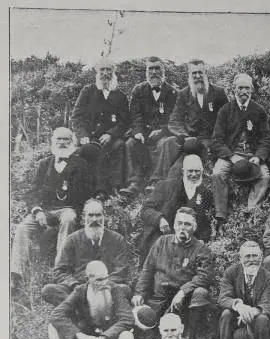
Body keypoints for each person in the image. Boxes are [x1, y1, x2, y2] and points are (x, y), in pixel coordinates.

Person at [11, 127, 92, 293]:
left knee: (69, 218)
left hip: (68, 209)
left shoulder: (81, 164)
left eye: (66, 140)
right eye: (58, 140)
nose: (62, 143)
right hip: (45, 211)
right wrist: (37, 211)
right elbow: (32, 191)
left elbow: (86, 192)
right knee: (22, 228)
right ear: (53, 142)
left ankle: (60, 271)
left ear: (72, 143)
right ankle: (15, 276)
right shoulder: (44, 164)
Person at [132, 207, 215, 339]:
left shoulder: (201, 250)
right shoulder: (161, 242)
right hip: (158, 298)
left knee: (201, 292)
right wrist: (139, 293)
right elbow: (147, 269)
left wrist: (183, 292)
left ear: (194, 227)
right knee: (144, 326)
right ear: (174, 225)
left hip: (183, 301)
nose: (183, 227)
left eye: (187, 224)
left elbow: (204, 276)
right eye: (179, 223)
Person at [42, 199, 131, 306]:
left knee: (124, 289)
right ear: (84, 217)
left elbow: (121, 270)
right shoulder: (72, 239)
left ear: (104, 216)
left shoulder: (117, 240)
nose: (94, 219)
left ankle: (79, 310)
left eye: (98, 215)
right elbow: (60, 270)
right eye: (90, 215)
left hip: (106, 288)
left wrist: (103, 284)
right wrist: (75, 285)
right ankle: (84, 309)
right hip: (78, 289)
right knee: (48, 290)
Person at [153, 59, 229, 182]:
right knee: (169, 141)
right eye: (194, 73)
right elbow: (175, 120)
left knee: (185, 159)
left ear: (205, 73)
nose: (197, 76)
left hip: (209, 139)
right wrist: (184, 136)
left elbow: (227, 119)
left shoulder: (218, 93)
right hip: (188, 137)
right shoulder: (184, 94)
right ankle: (157, 179)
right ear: (190, 75)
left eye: (200, 72)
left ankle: (171, 179)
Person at [211, 73, 270, 224]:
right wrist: (231, 156)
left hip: (252, 154)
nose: (244, 91)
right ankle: (220, 214)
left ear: (251, 90)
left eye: (247, 88)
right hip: (231, 153)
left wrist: (258, 157)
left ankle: (251, 211)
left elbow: (266, 138)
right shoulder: (225, 110)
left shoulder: (259, 110)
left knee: (264, 176)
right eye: (240, 88)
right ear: (233, 90)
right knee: (218, 173)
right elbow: (216, 139)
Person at [71, 57, 129, 196]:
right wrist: (82, 135)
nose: (105, 73)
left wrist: (111, 134)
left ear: (113, 72)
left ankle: (116, 187)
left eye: (108, 70)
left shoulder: (120, 96)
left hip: (110, 138)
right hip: (89, 136)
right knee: (87, 151)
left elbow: (125, 121)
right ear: (97, 73)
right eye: (102, 70)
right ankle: (91, 190)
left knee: (119, 146)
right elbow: (77, 117)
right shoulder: (87, 92)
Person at [139, 154, 214, 260]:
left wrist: (202, 240)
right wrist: (159, 219)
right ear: (183, 171)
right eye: (190, 171)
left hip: (186, 240)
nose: (194, 175)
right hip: (162, 237)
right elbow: (145, 210)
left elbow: (205, 223)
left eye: (197, 171)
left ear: (202, 171)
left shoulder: (205, 193)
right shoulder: (166, 186)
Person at [122, 56, 178, 196]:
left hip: (163, 133)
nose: (154, 72)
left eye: (157, 69)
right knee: (130, 143)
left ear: (163, 71)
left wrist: (163, 130)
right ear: (146, 72)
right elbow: (135, 115)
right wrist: (138, 132)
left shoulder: (173, 93)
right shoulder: (138, 90)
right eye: (150, 69)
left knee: (165, 143)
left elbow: (175, 119)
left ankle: (156, 181)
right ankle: (134, 183)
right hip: (144, 132)